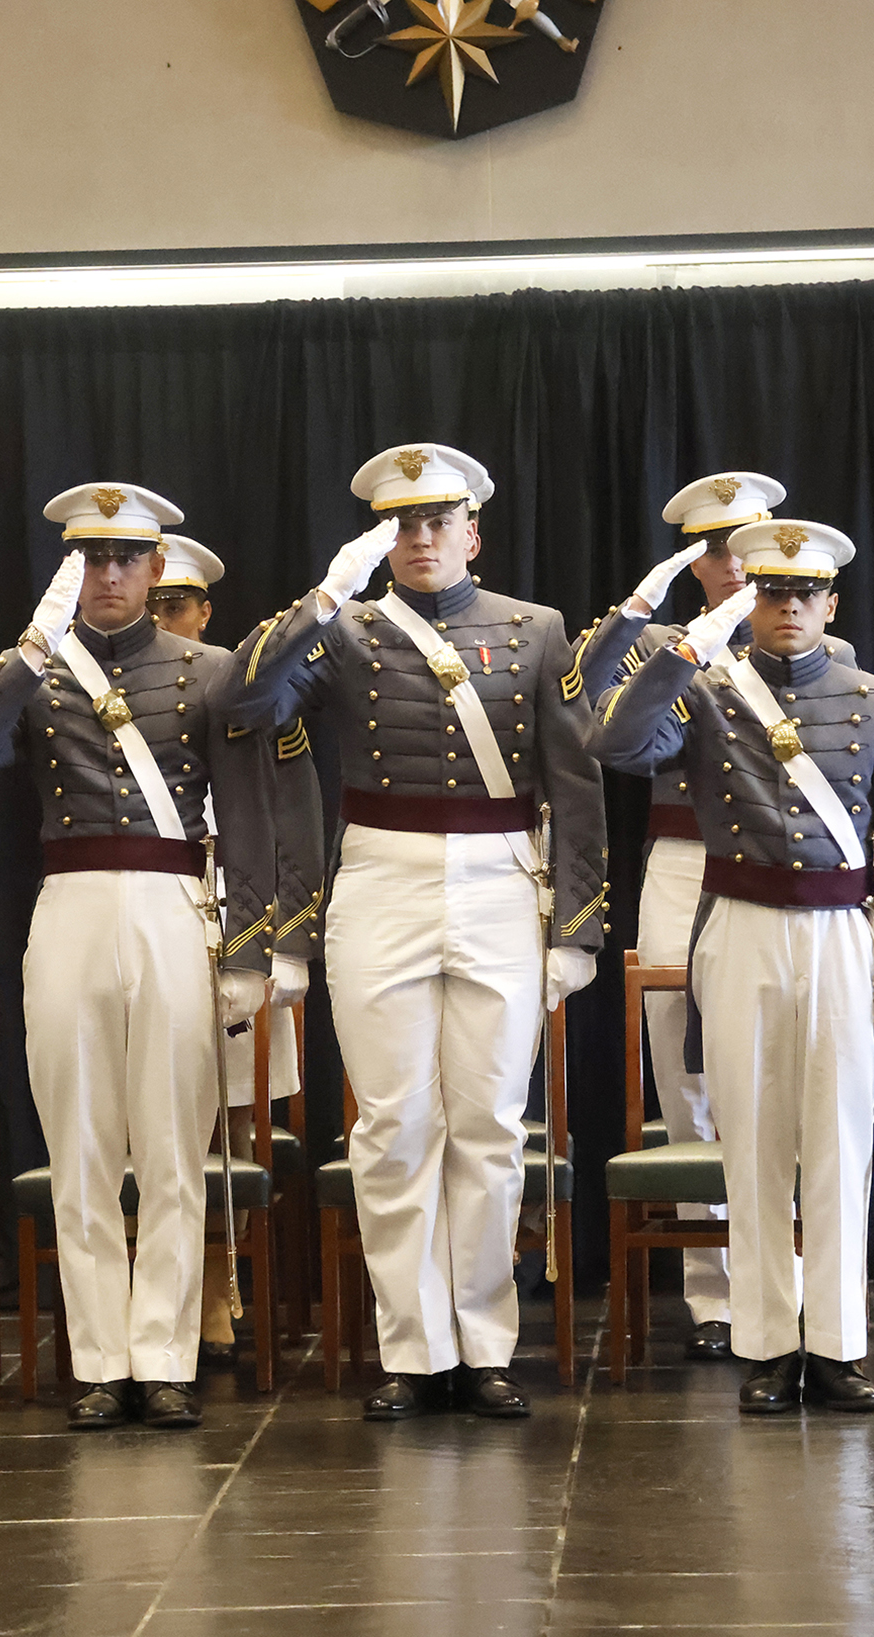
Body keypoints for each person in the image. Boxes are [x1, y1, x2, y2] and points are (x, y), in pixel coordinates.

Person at [228, 444, 608, 1421]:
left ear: (473, 531)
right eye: (404, 523)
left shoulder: (535, 630)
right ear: (380, 538)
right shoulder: (344, 630)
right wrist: (321, 597)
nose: (423, 536)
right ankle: (414, 1345)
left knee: (487, 1123)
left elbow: (574, 781)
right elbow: (250, 705)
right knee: (392, 1125)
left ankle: (483, 1342)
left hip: (497, 885)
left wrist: (576, 924)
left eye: (441, 519)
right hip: (382, 879)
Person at [586, 519, 874, 1415]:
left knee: (837, 1142)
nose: (787, 609)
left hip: (836, 930)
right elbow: (617, 746)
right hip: (740, 921)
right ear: (750, 600)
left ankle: (837, 1344)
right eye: (770, 593)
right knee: (749, 1143)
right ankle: (767, 1343)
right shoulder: (708, 691)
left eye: (802, 593)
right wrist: (685, 650)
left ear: (830, 601)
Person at [0, 485, 274, 1432]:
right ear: (69, 569)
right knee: (80, 1143)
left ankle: (164, 1356)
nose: (111, 575)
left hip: (173, 901)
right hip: (72, 901)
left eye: (128, 558)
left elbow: (246, 810)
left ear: (158, 567)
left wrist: (249, 943)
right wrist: (31, 646)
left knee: (173, 1145)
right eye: (92, 559)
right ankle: (100, 1358)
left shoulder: (209, 671)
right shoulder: (40, 669)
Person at [563, 471, 792, 1361]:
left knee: (777, 1071)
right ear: (696, 562)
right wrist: (640, 610)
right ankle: (713, 1294)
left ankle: (785, 1277)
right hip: (682, 853)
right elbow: (585, 700)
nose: (737, 568)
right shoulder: (663, 642)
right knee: (680, 1068)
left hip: (776, 862)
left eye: (749, 546)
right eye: (718, 551)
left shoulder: (808, 632)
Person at [145, 533, 321, 1370]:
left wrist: (287, 938)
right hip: (153, 901)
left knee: (239, 1118)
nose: (167, 622)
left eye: (177, 605)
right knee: (150, 1103)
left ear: (206, 611)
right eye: (154, 607)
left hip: (238, 908)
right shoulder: (111, 681)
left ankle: (220, 1276)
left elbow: (292, 817)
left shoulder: (244, 687)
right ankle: (159, 1283)